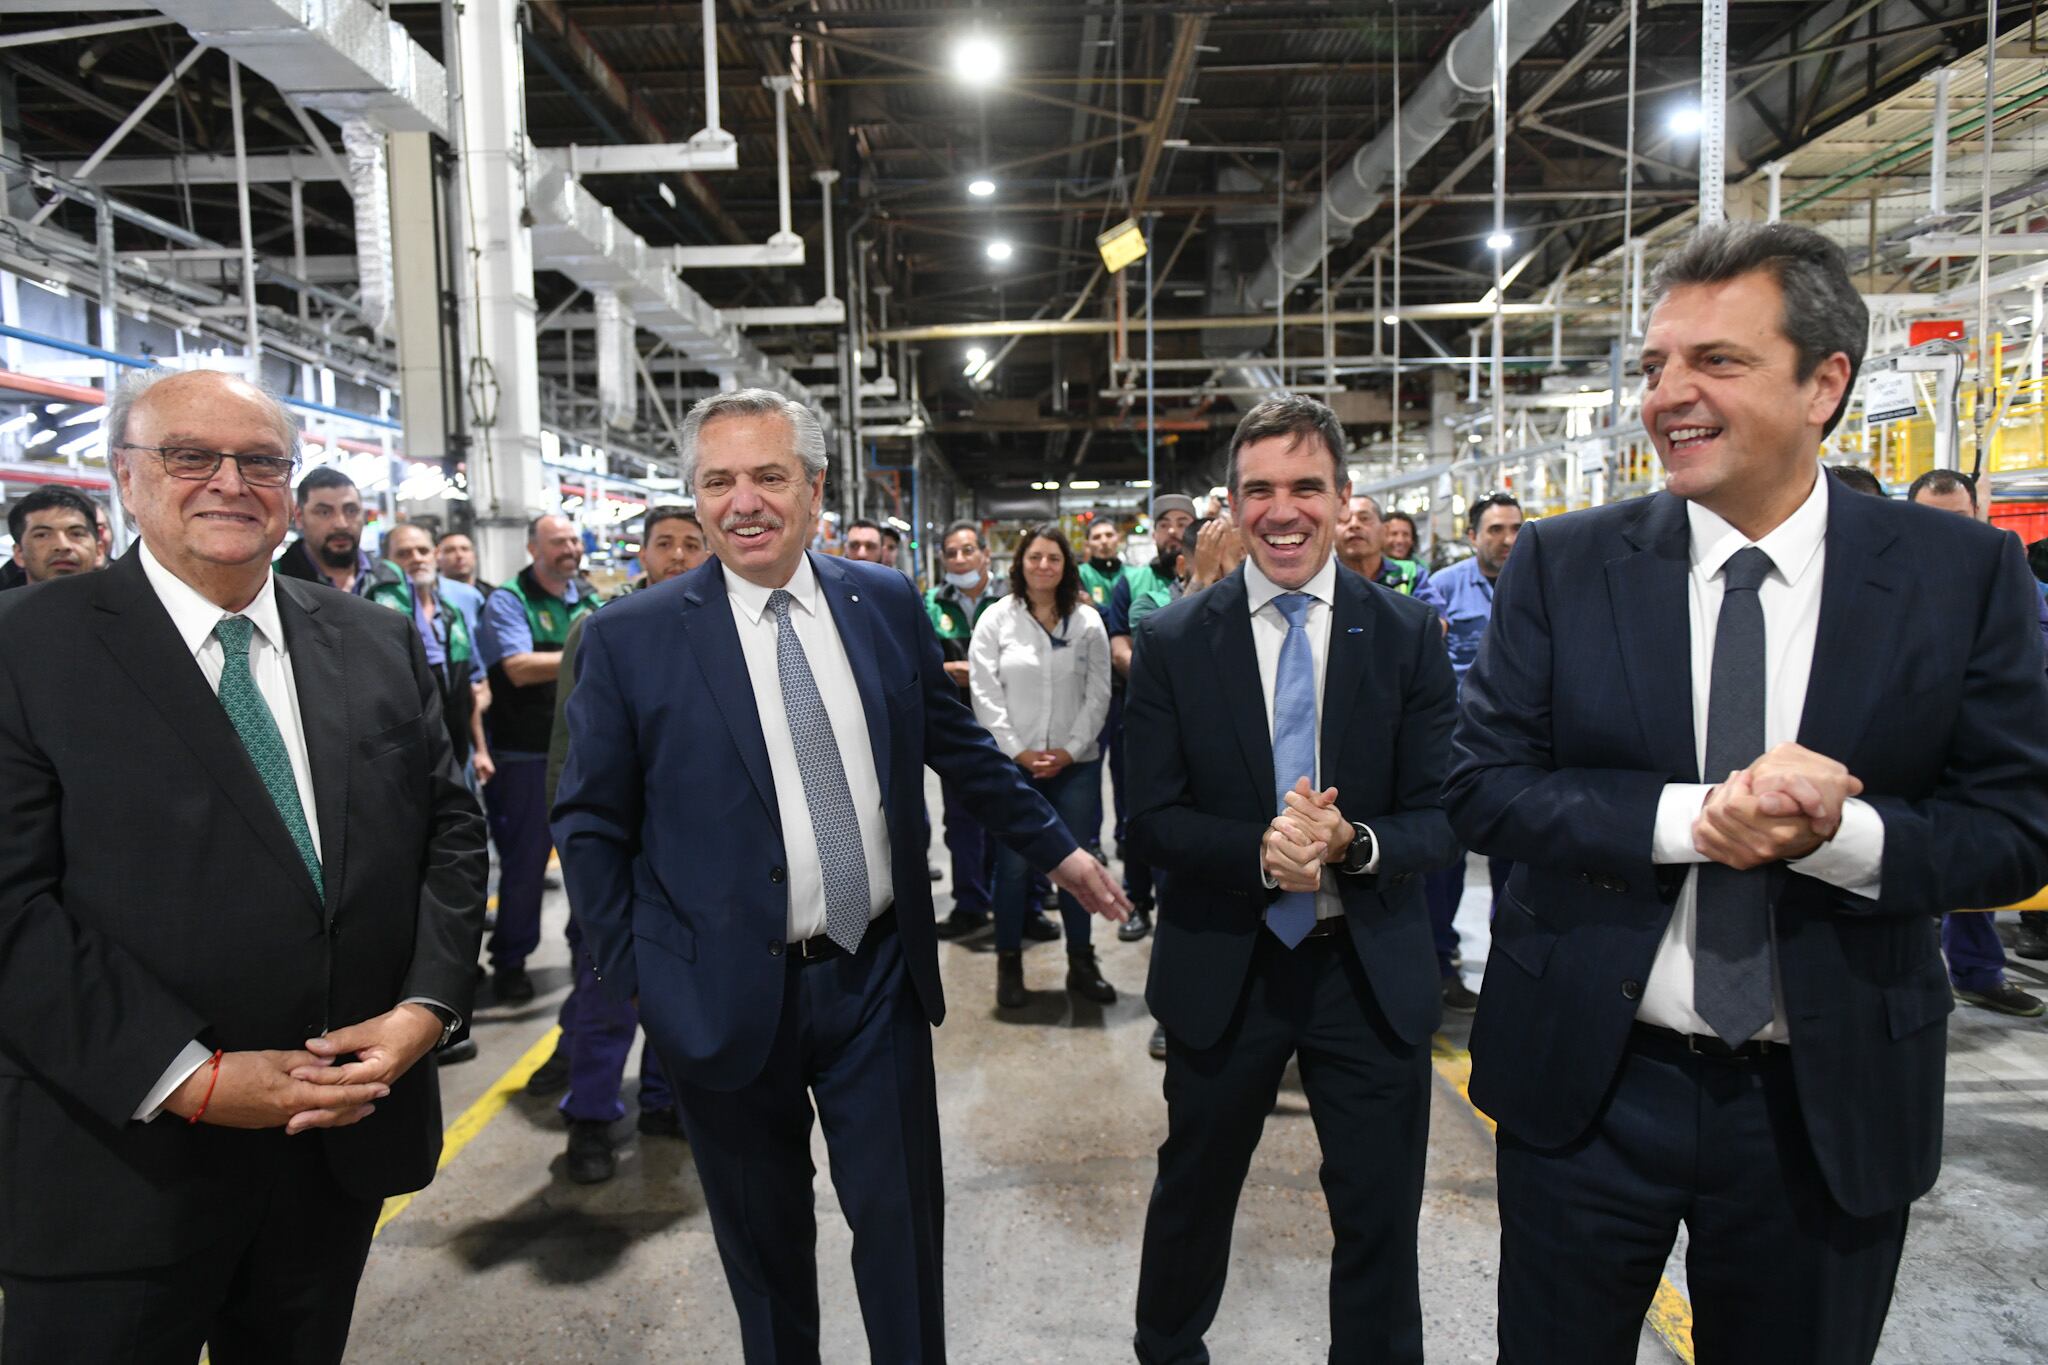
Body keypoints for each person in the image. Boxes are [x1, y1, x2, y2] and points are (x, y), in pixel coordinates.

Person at [1446, 222, 2048, 1365]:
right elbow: (1482, 788)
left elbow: (2013, 832)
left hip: (1823, 1102)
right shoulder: (1566, 565)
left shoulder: (1957, 575)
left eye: (1712, 362)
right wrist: (1690, 821)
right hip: (1589, 1080)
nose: (1667, 395)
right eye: (1653, 366)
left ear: (1825, 382)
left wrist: (1838, 834)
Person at [552, 388, 1128, 1363]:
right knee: (767, 1254)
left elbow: (963, 752)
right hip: (722, 993)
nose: (744, 502)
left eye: (769, 476)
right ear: (694, 497)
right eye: (718, 481)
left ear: (814, 489)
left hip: (873, 980)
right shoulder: (626, 639)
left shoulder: (884, 605)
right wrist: (639, 975)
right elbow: (590, 820)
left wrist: (1060, 851)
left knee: (902, 1230)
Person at [0, 367, 487, 1364]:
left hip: (333, 1140)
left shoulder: (375, 641)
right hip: (116, 1156)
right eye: (191, 456)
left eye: (261, 461)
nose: (230, 481)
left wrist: (424, 1010)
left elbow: (449, 830)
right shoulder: (26, 648)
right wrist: (189, 1077)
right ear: (124, 478)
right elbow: (11, 903)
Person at [1127, 393, 1460, 1363]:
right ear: (1231, 503)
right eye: (1259, 489)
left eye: (1305, 487)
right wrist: (1253, 853)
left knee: (1376, 1210)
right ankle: (1166, 1348)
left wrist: (1352, 843)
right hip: (1226, 964)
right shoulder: (1176, 642)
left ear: (1342, 497)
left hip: (1363, 968)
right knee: (1192, 1191)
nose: (1283, 510)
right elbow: (1146, 819)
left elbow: (1441, 816)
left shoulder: (1403, 636)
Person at [542, 505, 707, 1182]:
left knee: (681, 985)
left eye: (691, 544)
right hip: (616, 844)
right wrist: (578, 843)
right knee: (606, 982)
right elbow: (566, 749)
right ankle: (590, 1117)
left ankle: (665, 1101)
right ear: (641, 554)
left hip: (694, 849)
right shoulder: (600, 628)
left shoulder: (725, 626)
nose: (677, 555)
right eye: (663, 543)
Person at [1904, 469, 2046, 1018]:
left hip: (1973, 743)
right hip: (1897, 748)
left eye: (1958, 518)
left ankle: (1977, 972)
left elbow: (2030, 653)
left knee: (1973, 854)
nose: (1944, 531)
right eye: (1929, 517)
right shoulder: (1880, 574)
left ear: (1977, 513)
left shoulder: (1999, 570)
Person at [970, 523, 1116, 1007]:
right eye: (1034, 557)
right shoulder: (996, 620)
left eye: (1053, 558)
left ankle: (1081, 961)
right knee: (1012, 869)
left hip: (1077, 767)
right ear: (1020, 563)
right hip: (1016, 769)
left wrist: (1072, 750)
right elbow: (985, 694)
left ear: (1065, 565)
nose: (1043, 566)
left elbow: (1100, 694)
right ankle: (1009, 964)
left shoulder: (1088, 623)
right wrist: (1017, 750)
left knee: (1079, 867)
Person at [476, 513, 598, 1005]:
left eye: (573, 538)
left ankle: (587, 952)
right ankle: (510, 962)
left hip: (585, 754)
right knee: (525, 869)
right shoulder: (511, 599)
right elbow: (518, 667)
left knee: (591, 863)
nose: (569, 548)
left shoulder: (586, 595)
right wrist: (595, 644)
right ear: (533, 549)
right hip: (525, 756)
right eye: (557, 541)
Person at [1412, 491, 1524, 1012]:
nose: (1507, 539)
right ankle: (1439, 963)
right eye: (1496, 529)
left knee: (1517, 862)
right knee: (1446, 860)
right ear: (1473, 535)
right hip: (1460, 748)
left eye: (1515, 529)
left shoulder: (1540, 581)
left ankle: (1514, 967)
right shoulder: (1444, 587)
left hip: (1523, 749)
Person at [1104, 493, 1199, 948]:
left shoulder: (1215, 573)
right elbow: (1118, 643)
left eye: (1184, 522)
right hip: (1140, 713)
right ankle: (1137, 901)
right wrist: (1155, 681)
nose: (1174, 531)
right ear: (1154, 530)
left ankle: (1182, 903)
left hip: (1198, 719)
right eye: (1166, 523)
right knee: (1136, 808)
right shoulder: (1134, 580)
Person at [925, 520, 1016, 939]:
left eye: (967, 551)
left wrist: (980, 673)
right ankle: (971, 902)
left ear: (984, 554)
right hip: (955, 726)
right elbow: (915, 661)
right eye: (951, 553)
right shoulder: (930, 603)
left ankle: (1014, 897)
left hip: (1008, 722)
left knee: (1010, 811)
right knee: (961, 820)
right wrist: (947, 671)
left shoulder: (1011, 601)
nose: (959, 560)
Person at [376, 523, 493, 787]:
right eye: (404, 554)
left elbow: (471, 688)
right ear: (387, 562)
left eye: (423, 551)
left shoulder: (452, 614)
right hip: (408, 762)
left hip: (460, 755)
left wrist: (482, 750)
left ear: (434, 555)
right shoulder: (380, 618)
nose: (416, 559)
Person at [274, 467, 402, 597]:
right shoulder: (273, 581)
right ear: (300, 517)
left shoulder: (393, 578)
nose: (341, 524)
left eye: (351, 511)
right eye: (324, 512)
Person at [1337, 492, 1431, 595]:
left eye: (1364, 518)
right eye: (1344, 519)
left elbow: (1432, 609)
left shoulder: (1411, 574)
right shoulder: (1322, 578)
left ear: (1384, 530)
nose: (1354, 524)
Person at [6, 484, 100, 585]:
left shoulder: (118, 599)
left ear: (99, 550)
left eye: (76, 534)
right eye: (42, 535)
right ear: (19, 553)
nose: (62, 546)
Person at [436, 528, 496, 598]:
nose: (459, 555)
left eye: (465, 549)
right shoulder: (429, 596)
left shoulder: (493, 596)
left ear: (475, 556)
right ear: (437, 558)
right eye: (450, 550)